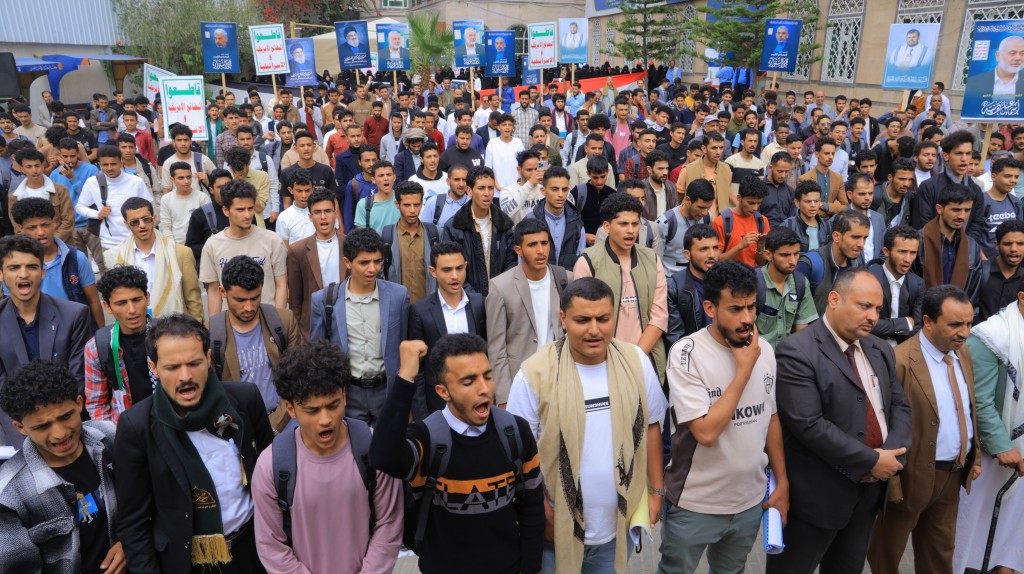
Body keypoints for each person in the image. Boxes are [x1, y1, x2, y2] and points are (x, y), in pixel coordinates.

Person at [506, 278, 667, 573]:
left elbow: (652, 426)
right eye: (582, 320)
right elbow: (518, 455)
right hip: (553, 532)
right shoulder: (534, 374)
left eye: (603, 319)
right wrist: (543, 513)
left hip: (617, 529)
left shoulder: (636, 362)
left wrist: (656, 492)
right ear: (563, 319)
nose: (594, 330)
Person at [765, 269, 912, 574]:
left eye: (878, 309)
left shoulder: (880, 349)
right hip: (817, 499)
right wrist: (872, 460)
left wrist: (892, 454)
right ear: (834, 299)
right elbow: (809, 424)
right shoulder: (797, 351)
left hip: (868, 497)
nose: (873, 317)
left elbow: (899, 404)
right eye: (864, 306)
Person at [113, 313, 274, 574]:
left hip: (254, 550)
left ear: (208, 358)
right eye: (172, 367)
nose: (185, 376)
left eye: (194, 363)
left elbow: (270, 476)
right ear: (153, 367)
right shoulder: (136, 427)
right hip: (187, 563)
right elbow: (134, 523)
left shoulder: (245, 400)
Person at [370, 334, 544, 573]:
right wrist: (405, 377)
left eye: (487, 376)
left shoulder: (515, 432)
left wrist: (529, 569)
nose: (484, 389)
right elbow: (383, 457)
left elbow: (531, 508)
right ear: (443, 391)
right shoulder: (426, 438)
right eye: (468, 382)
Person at [660, 261, 788, 573]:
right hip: (695, 503)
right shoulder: (686, 355)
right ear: (710, 308)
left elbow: (770, 417)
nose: (747, 319)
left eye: (751, 307)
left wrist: (782, 481)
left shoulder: (765, 350)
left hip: (749, 502)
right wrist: (744, 371)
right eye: (735, 309)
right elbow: (705, 433)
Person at [252, 339, 404, 573]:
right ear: (290, 408)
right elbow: (271, 546)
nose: (325, 419)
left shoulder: (375, 449)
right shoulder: (270, 466)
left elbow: (389, 524)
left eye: (332, 405)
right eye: (312, 410)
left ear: (344, 396)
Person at [867, 285, 980, 574]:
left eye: (969, 324)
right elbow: (884, 426)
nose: (964, 332)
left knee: (939, 555)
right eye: (955, 324)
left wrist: (973, 455)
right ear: (928, 322)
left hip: (951, 476)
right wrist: (893, 484)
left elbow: (968, 407)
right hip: (909, 479)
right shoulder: (900, 361)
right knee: (886, 556)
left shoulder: (963, 353)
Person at [0, 360, 124, 574]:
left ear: (79, 403)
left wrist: (129, 542)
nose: (60, 433)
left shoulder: (109, 437)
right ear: (20, 427)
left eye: (65, 416)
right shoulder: (9, 495)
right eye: (42, 426)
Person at [955, 283, 1024, 574]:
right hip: (989, 453)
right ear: (1022, 296)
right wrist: (1002, 446)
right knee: (974, 531)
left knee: (1013, 531)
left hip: (1020, 449)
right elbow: (977, 400)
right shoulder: (991, 336)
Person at [309, 227, 409, 424]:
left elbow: (406, 345)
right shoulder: (324, 300)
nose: (372, 269)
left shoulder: (398, 296)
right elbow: (317, 354)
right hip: (348, 393)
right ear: (347, 262)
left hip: (388, 390)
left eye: (377, 261)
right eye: (364, 262)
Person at [0, 234, 91, 446]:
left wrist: (57, 430)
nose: (24, 274)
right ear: (1, 274)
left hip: (66, 428)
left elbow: (77, 379)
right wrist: (24, 439)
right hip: (18, 430)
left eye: (32, 267)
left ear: (42, 272)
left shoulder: (75, 315)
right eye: (14, 267)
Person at [574, 192, 669, 378]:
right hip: (602, 364)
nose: (631, 230)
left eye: (635, 224)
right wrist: (615, 360)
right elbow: (585, 319)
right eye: (623, 224)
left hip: (645, 361)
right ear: (607, 227)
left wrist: (636, 357)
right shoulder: (588, 262)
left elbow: (659, 317)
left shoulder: (652, 259)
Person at [486, 218, 573, 407]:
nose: (540, 250)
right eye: (532, 245)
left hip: (561, 378)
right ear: (518, 250)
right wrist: (504, 398)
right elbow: (496, 348)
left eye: (544, 243)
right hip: (522, 383)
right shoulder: (500, 287)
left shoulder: (566, 278)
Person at [407, 241, 487, 415]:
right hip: (438, 403)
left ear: (466, 266)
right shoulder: (420, 311)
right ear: (433, 271)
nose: (455, 276)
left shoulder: (478, 303)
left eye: (459, 268)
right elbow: (417, 369)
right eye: (447, 270)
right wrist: (422, 416)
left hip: (476, 399)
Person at [106, 196, 204, 321]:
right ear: (126, 224)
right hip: (134, 325)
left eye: (146, 219)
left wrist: (197, 328)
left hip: (174, 326)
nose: (142, 225)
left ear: (154, 218)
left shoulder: (180, 253)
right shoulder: (114, 257)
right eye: (135, 222)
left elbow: (193, 299)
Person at [9, 197, 103, 326]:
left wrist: (99, 335)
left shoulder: (76, 258)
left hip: (76, 329)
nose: (40, 232)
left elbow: (93, 301)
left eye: (45, 225)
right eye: (32, 227)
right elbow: (12, 305)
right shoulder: (13, 265)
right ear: (21, 228)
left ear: (54, 222)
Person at [200, 179, 288, 316]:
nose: (247, 215)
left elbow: (281, 284)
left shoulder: (272, 240)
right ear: (226, 210)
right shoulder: (212, 245)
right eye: (240, 209)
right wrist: (215, 325)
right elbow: (214, 291)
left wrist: (278, 320)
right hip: (229, 322)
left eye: (250, 208)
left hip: (267, 319)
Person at [83, 265, 155, 423]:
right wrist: (116, 435)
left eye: (136, 300)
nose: (132, 310)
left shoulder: (168, 336)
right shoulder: (96, 348)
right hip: (126, 427)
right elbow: (97, 405)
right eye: (121, 303)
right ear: (107, 306)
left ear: (147, 298)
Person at [442, 166, 517, 296]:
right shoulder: (454, 226)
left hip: (500, 298)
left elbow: (511, 263)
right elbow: (451, 268)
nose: (487, 193)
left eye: (491, 188)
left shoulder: (504, 223)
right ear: (469, 191)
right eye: (481, 188)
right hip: (467, 299)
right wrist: (474, 299)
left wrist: (498, 295)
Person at [286, 189, 346, 339]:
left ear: (335, 213)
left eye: (328, 211)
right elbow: (295, 300)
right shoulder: (297, 250)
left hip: (346, 321)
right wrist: (298, 334)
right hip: (312, 326)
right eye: (317, 212)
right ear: (310, 216)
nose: (323, 217)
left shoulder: (349, 245)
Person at [916, 183, 988, 306]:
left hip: (959, 313)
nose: (962, 216)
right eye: (956, 210)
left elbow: (974, 291)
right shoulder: (918, 241)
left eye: (967, 210)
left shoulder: (971, 246)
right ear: (939, 209)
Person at [913, 131, 987, 246]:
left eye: (968, 153)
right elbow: (922, 223)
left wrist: (965, 246)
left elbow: (977, 224)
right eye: (959, 153)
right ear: (945, 156)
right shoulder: (929, 187)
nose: (964, 159)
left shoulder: (976, 189)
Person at [75, 145, 154, 251]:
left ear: (121, 162)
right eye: (105, 164)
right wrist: (97, 214)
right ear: (99, 164)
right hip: (108, 243)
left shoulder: (136, 182)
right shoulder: (92, 182)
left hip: (136, 241)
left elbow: (149, 209)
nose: (109, 168)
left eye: (113, 164)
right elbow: (80, 207)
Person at [799, 209, 870, 315]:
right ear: (836, 236)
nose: (861, 244)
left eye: (865, 238)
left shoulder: (857, 265)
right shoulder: (809, 265)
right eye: (855, 237)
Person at [757, 227, 819, 348]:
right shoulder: (753, 283)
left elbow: (801, 331)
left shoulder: (801, 283)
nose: (793, 261)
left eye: (796, 254)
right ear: (768, 255)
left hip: (787, 355)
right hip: (758, 355)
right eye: (785, 255)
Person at [868, 225, 925, 346]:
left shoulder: (918, 284)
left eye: (913, 253)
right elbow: (864, 324)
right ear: (886, 251)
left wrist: (884, 327)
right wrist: (905, 323)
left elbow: (919, 329)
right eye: (902, 252)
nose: (908, 259)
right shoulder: (868, 279)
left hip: (903, 350)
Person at [666, 224, 720, 347]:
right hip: (693, 353)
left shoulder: (729, 281)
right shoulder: (675, 287)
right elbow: (675, 337)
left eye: (716, 248)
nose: (712, 254)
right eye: (704, 249)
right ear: (687, 254)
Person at [10, 148, 76, 243]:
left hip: (61, 244)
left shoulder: (60, 190)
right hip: (32, 247)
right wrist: (34, 244)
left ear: (43, 166)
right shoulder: (15, 197)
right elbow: (18, 227)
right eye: (29, 167)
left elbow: (68, 221)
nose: (34, 170)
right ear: (22, 169)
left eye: (37, 166)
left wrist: (51, 241)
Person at [655, 178, 714, 278]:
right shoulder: (665, 224)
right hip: (671, 280)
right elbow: (656, 260)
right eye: (701, 207)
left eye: (708, 208)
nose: (704, 212)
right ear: (687, 200)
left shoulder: (707, 218)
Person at [713, 175, 770, 268]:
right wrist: (741, 245)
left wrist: (760, 246)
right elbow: (716, 260)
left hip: (753, 273)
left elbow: (761, 262)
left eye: (759, 203)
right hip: (729, 274)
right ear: (739, 198)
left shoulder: (762, 221)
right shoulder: (721, 222)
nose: (755, 208)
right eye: (751, 203)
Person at [185, 168, 233, 263]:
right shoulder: (200, 214)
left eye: (228, 186)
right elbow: (190, 249)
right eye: (220, 187)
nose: (225, 190)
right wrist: (211, 244)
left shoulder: (245, 210)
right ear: (211, 190)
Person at [677, 131, 732, 213]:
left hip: (719, 219)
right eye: (714, 148)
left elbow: (727, 193)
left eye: (721, 148)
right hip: (693, 219)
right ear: (704, 149)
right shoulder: (688, 170)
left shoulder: (726, 169)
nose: (718, 152)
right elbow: (678, 200)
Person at [159, 161, 212, 243]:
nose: (186, 181)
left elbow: (209, 225)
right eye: (181, 178)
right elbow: (165, 227)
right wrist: (173, 246)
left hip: (199, 245)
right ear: (172, 179)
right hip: (176, 246)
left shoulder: (203, 198)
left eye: (188, 177)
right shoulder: (166, 199)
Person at [963, 35, 1024, 100]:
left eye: (1022, 53)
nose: (1018, 58)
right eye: (1012, 53)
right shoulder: (974, 83)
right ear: (998, 56)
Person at [354, 160, 401, 233]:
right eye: (381, 175)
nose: (386, 178)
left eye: (389, 174)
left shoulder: (403, 200)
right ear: (373, 180)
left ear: (394, 177)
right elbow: (361, 236)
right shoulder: (363, 205)